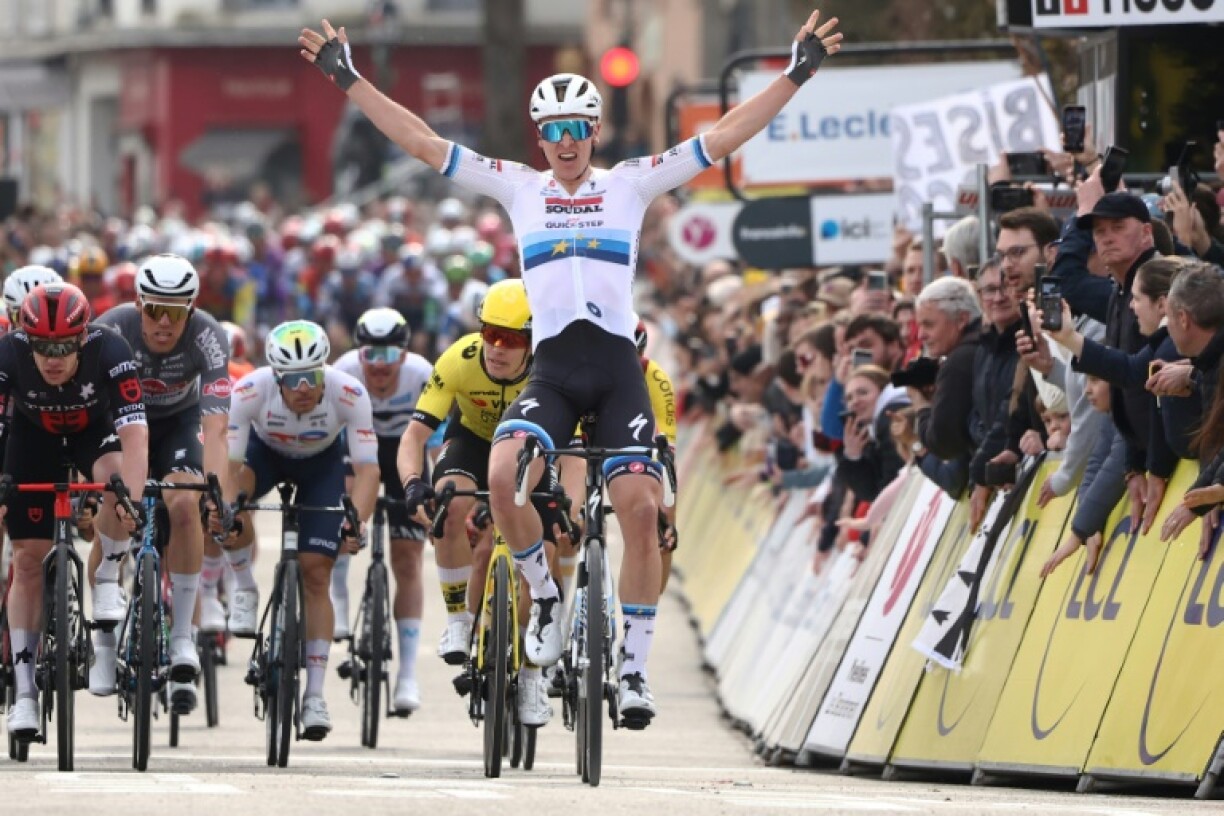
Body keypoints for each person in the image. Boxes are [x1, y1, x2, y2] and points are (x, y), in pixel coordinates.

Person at [300, 8, 844, 727]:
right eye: (551, 131)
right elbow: (423, 141)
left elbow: (723, 135)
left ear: (592, 130)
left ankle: (635, 670)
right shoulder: (519, 187)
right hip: (553, 369)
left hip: (618, 368)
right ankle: (545, 597)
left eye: (575, 128)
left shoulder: (630, 182)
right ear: (539, 137)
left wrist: (795, 75)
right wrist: (350, 80)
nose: (563, 143)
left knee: (641, 512)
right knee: (500, 477)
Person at [393, 279, 564, 728]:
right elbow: (413, 436)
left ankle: (530, 674)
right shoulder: (460, 359)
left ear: (533, 341)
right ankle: (458, 620)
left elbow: (574, 448)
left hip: (532, 447)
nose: (496, 347)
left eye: (510, 339)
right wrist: (413, 482)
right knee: (449, 504)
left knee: (544, 553)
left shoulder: (552, 367)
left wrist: (574, 505)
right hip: (473, 439)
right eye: (490, 333)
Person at [87, 254, 233, 713]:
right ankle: (105, 646)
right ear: (137, 303)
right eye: (154, 310)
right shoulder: (112, 329)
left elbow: (217, 428)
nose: (164, 323)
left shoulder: (209, 336)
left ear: (191, 310)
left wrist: (217, 491)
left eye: (175, 312)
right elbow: (85, 411)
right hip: (119, 420)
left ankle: (185, 637)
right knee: (116, 495)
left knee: (186, 503)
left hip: (176, 424)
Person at [0, 282, 147, 738]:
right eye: (43, 346)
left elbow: (136, 434)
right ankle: (24, 694)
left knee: (117, 478)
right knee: (26, 560)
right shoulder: (8, 354)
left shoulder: (112, 348)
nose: (53, 357)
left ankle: (107, 577)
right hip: (32, 438)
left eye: (64, 344)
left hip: (93, 433)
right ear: (27, 339)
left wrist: (132, 503)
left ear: (84, 337)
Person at [221, 320, 379, 740]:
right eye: (292, 379)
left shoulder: (349, 392)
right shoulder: (250, 391)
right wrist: (230, 508)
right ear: (275, 375)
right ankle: (244, 587)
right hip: (264, 455)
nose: (304, 386)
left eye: (311, 376)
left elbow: (367, 471)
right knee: (227, 510)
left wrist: (355, 521)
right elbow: (230, 465)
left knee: (316, 571)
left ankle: (313, 695)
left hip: (321, 464)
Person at [331, 308, 432, 714]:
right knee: (344, 515)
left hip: (407, 455)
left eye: (389, 356)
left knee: (407, 561)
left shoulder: (423, 375)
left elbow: (439, 446)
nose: (378, 366)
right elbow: (332, 442)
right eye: (370, 355)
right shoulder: (342, 372)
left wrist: (437, 488)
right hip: (358, 451)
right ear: (358, 354)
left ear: (405, 356)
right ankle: (339, 596)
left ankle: (407, 674)